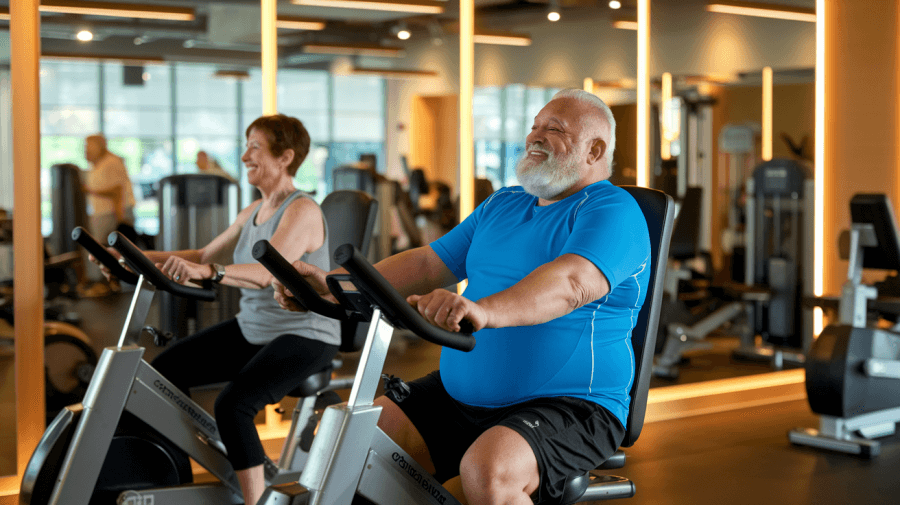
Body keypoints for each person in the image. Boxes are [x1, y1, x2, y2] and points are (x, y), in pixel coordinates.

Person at [273, 89, 651, 505]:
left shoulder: (613, 209)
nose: (536, 137)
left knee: (488, 472)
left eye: (554, 129)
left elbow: (571, 283)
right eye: (534, 127)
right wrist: (332, 284)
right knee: (353, 447)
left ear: (595, 150)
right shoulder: (504, 204)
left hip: (573, 402)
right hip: (461, 394)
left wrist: (482, 310)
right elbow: (425, 264)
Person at [93, 115, 339, 505]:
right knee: (163, 375)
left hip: (305, 334)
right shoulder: (252, 212)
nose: (245, 155)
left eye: (255, 147)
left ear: (286, 157)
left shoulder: (302, 210)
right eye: (246, 146)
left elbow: (263, 274)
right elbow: (202, 255)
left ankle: (255, 502)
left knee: (233, 404)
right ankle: (170, 473)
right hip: (254, 328)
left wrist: (210, 272)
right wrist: (128, 256)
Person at [82, 134, 137, 290]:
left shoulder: (111, 162)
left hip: (112, 213)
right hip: (101, 213)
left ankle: (110, 283)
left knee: (107, 249)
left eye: (89, 146)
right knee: (102, 249)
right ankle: (109, 283)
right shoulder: (97, 165)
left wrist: (120, 218)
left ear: (100, 146)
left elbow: (117, 191)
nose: (86, 150)